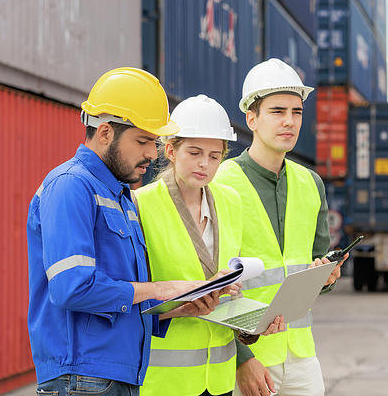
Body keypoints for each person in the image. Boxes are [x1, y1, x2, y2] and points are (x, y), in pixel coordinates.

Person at [27, 68, 238, 396]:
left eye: (154, 142)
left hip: (118, 375)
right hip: (82, 378)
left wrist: (179, 306)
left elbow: (121, 300)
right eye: (143, 141)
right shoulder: (71, 185)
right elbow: (71, 288)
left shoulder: (121, 197)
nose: (153, 154)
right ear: (106, 132)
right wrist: (161, 288)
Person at [135, 95, 286, 396]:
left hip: (218, 379)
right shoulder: (140, 205)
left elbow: (228, 285)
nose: (205, 164)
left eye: (215, 156)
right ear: (171, 150)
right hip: (163, 382)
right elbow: (132, 296)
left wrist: (252, 322)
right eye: (194, 152)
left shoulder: (231, 201)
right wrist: (183, 303)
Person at [215, 59, 346, 396]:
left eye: (297, 111)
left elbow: (315, 264)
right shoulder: (221, 183)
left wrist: (326, 277)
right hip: (249, 354)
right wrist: (242, 359)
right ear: (252, 118)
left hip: (302, 355)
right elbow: (208, 278)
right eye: (277, 111)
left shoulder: (311, 183)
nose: (290, 121)